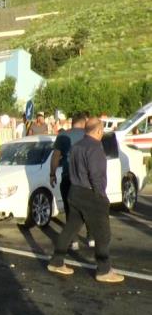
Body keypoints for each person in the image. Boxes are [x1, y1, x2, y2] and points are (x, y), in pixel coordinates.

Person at [48, 118, 124, 283]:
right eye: (102, 129)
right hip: (90, 193)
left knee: (70, 229)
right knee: (103, 233)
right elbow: (96, 175)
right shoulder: (95, 147)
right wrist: (101, 196)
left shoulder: (77, 146)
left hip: (75, 191)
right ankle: (104, 270)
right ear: (98, 130)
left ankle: (56, 261)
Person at [49, 112, 93, 250]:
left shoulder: (63, 136)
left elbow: (56, 156)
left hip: (68, 177)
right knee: (87, 209)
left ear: (72, 122)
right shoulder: (89, 135)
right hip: (86, 179)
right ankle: (91, 237)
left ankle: (73, 241)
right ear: (83, 122)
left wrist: (52, 174)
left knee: (70, 210)